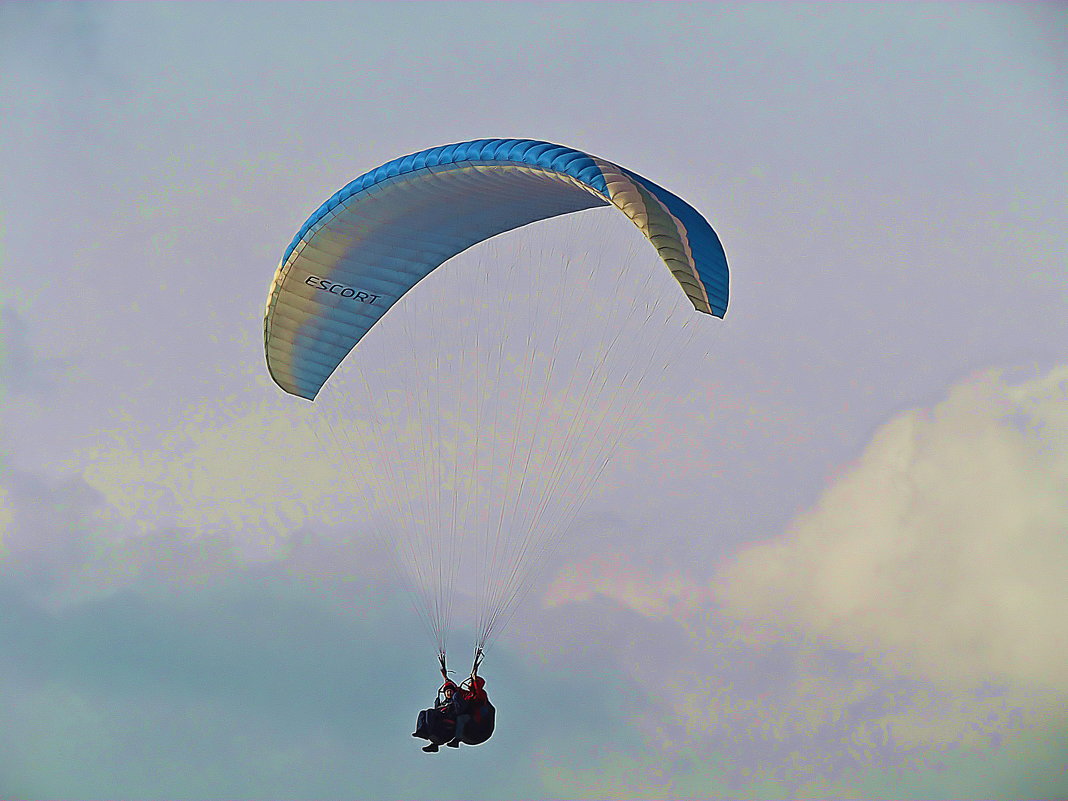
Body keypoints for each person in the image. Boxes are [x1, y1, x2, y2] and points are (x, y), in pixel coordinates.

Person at [446, 673, 488, 748]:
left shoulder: (481, 693)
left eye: (470, 682)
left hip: (473, 716)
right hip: (465, 713)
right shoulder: (468, 694)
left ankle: (457, 740)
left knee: (461, 719)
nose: (468, 684)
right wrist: (445, 678)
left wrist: (474, 678)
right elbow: (457, 689)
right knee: (456, 696)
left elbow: (478, 690)